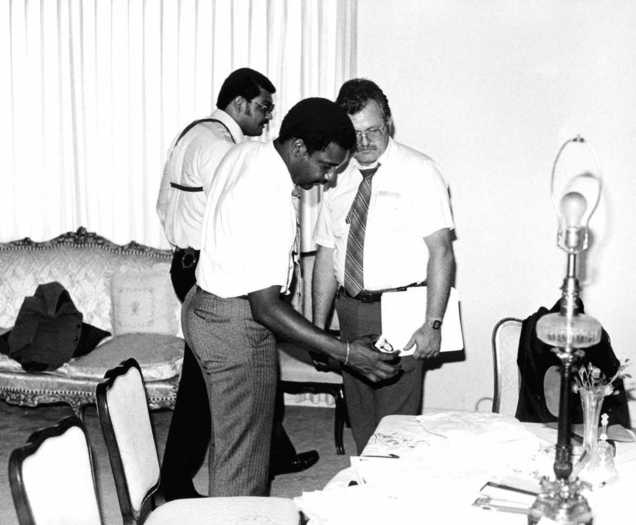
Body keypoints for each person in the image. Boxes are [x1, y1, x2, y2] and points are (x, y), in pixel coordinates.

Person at [183, 97, 402, 496]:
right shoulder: (269, 195)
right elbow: (265, 307)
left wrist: (326, 344)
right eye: (326, 165)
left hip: (207, 307)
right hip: (236, 325)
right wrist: (346, 352)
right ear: (298, 147)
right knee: (244, 459)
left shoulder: (248, 151)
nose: (329, 179)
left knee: (236, 441)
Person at [156, 68, 317, 501]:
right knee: (207, 395)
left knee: (221, 389)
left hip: (193, 264)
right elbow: (238, 222)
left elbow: (164, 202)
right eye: (263, 107)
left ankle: (268, 453)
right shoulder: (223, 148)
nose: (267, 119)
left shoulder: (195, 135)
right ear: (240, 103)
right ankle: (176, 484)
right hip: (213, 275)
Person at [311, 79, 456, 453]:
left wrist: (433, 324)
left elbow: (441, 252)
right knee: (361, 421)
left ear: (388, 123)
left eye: (372, 130)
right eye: (354, 133)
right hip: (350, 308)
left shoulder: (420, 171)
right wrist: (318, 328)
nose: (363, 142)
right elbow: (327, 255)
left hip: (399, 312)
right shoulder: (334, 175)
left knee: (395, 431)